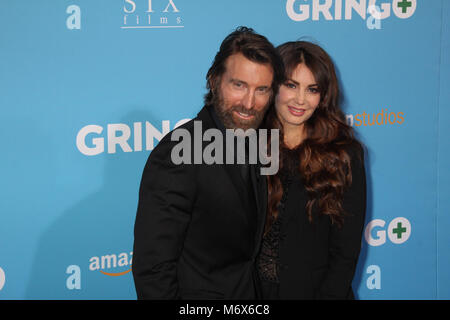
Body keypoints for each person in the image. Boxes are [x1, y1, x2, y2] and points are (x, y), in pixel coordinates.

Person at [132, 26, 284, 299]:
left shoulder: (258, 141)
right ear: (214, 81)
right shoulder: (177, 152)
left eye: (261, 90)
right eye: (239, 85)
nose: (249, 103)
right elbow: (153, 270)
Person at [256, 41, 367, 299]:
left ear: (323, 95)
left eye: (312, 89)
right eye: (291, 85)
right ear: (273, 86)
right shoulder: (247, 146)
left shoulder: (344, 154)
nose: (300, 99)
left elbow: (345, 252)